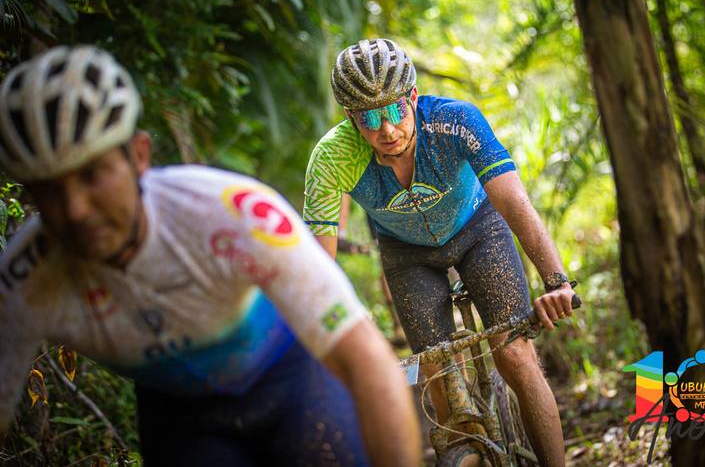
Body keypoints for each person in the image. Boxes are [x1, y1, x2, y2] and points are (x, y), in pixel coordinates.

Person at [0, 45, 421, 467]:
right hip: (180, 418)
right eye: (48, 190)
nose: (75, 210)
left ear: (140, 155)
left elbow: (366, 361)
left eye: (92, 175)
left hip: (291, 383)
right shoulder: (25, 278)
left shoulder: (230, 213)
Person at [303, 38, 577, 466]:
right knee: (440, 375)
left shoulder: (456, 121)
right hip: (407, 255)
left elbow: (513, 201)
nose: (387, 130)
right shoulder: (331, 158)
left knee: (515, 354)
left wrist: (556, 281)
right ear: (349, 118)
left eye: (395, 110)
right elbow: (320, 262)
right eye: (369, 118)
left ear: (413, 97)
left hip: (479, 230)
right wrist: (327, 337)